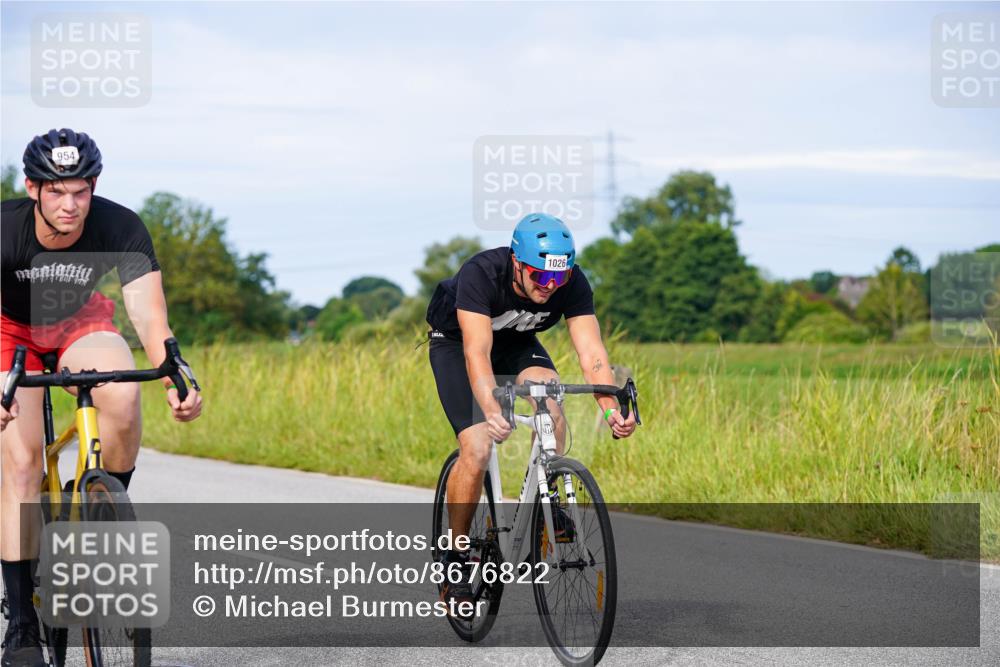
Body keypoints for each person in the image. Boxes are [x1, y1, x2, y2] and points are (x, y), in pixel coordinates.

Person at [0, 129, 203, 666]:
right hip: (7, 330)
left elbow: (149, 316)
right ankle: (21, 627)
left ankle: (96, 508)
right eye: (56, 192)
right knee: (20, 464)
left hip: (77, 322)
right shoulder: (4, 229)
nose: (69, 205)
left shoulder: (120, 226)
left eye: (80, 192)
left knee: (121, 394)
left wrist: (176, 375)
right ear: (32, 188)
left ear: (94, 186)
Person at [425, 212, 636, 614]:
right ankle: (456, 557)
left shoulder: (572, 282)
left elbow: (591, 352)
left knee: (551, 401)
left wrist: (610, 408)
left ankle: (547, 498)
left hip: (517, 342)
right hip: (457, 342)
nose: (550, 286)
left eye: (559, 277)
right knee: (478, 446)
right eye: (540, 276)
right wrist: (491, 409)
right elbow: (477, 352)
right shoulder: (482, 273)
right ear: (517, 263)